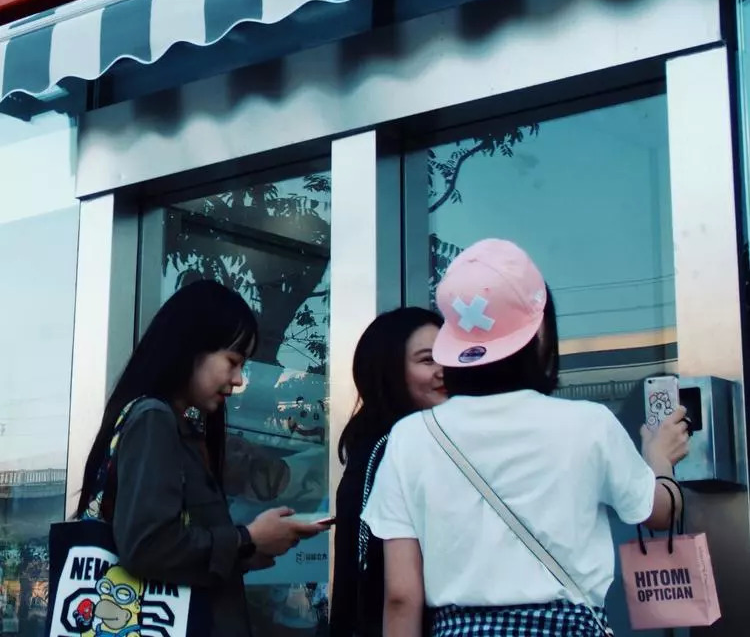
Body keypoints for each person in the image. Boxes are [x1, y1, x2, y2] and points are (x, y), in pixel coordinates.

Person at [362, 240, 690, 637]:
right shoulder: (588, 424)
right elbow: (659, 512)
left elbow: (401, 596)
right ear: (541, 332)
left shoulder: (411, 437)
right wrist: (659, 459)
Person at [75, 280, 327, 637]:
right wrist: (246, 538)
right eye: (233, 361)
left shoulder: (169, 424)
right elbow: (148, 547)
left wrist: (242, 554)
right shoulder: (154, 419)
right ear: (191, 348)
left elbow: (169, 545)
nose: (238, 380)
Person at [330, 307, 446, 637]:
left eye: (447, 356)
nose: (444, 370)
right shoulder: (393, 448)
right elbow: (394, 590)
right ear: (390, 371)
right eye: (428, 360)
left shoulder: (375, 443)